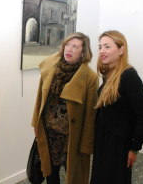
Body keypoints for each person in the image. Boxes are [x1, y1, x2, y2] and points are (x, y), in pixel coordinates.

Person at [31, 32, 99, 184]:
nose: (69, 49)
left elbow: (90, 115)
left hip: (71, 137)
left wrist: (86, 144)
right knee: (50, 172)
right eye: (67, 45)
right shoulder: (52, 68)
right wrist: (36, 122)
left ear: (83, 52)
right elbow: (40, 99)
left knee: (73, 174)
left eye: (75, 46)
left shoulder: (90, 77)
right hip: (49, 132)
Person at [90, 30, 143, 184]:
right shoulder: (109, 73)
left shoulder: (129, 76)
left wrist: (134, 148)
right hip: (104, 140)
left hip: (118, 144)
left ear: (121, 49)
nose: (102, 51)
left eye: (107, 46)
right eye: (100, 47)